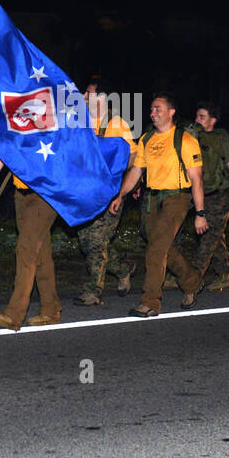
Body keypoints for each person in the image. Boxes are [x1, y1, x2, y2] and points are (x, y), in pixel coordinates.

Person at [109, 94, 206, 317]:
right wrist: (120, 195)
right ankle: (192, 282)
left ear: (171, 112)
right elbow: (136, 171)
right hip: (152, 199)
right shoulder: (146, 139)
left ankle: (151, 302)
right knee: (163, 248)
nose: (153, 113)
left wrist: (200, 213)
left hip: (176, 198)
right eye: (152, 110)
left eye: (158, 109)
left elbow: (197, 179)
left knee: (155, 250)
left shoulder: (185, 139)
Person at [0, 155, 62, 331]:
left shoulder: (55, 129)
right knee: (40, 253)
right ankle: (51, 309)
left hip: (46, 196)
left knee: (26, 249)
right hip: (21, 196)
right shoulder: (16, 129)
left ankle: (14, 314)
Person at [74, 78, 138, 306]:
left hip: (110, 191)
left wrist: (128, 187)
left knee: (96, 242)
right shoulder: (79, 121)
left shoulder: (117, 123)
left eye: (89, 94)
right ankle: (123, 268)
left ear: (102, 99)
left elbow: (132, 157)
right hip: (85, 191)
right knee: (86, 241)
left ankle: (93, 291)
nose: (84, 97)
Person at [185, 102, 229, 293]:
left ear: (213, 120)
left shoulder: (221, 139)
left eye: (202, 117)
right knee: (215, 235)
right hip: (199, 193)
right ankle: (225, 275)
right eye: (196, 116)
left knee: (209, 237)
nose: (197, 120)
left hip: (220, 194)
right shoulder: (192, 138)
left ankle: (192, 279)